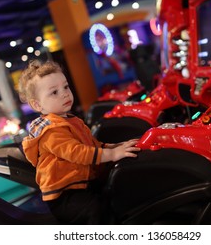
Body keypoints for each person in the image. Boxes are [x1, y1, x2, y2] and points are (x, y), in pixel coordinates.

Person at [18, 59, 140, 224]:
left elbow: (91, 145)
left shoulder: (71, 120)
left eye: (66, 87)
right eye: (54, 92)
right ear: (37, 105)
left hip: (81, 184)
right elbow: (77, 153)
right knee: (97, 209)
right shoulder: (50, 131)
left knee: (116, 189)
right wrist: (111, 154)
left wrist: (117, 147)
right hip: (65, 196)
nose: (64, 93)